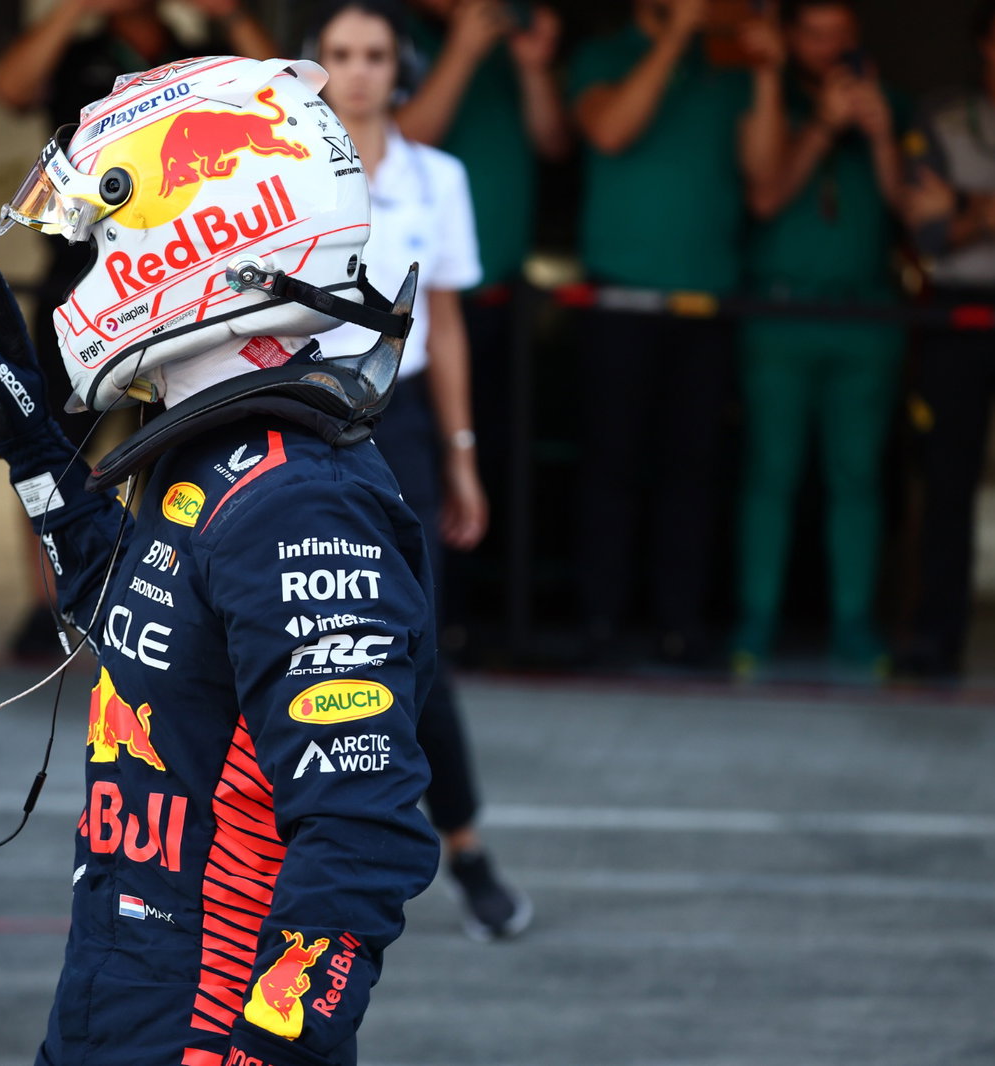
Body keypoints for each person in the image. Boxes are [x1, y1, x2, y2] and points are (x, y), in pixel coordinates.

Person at [0, 55, 439, 1065]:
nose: (83, 280)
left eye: (104, 243)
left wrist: (269, 1049)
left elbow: (359, 838)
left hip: (202, 1035)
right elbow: (139, 621)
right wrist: (35, 447)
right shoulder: (215, 461)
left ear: (204, 235)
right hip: (110, 1001)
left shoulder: (297, 503)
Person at [311, 0, 531, 940]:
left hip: (396, 424)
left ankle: (468, 851)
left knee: (419, 640)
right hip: (297, 412)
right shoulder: (277, 173)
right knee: (284, 628)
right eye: (338, 54)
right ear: (314, 65)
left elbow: (444, 333)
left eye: (373, 54)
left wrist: (464, 459)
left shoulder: (438, 176)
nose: (358, 71)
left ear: (399, 64)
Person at [0, 0, 278, 657]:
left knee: (174, 441)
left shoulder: (199, 51)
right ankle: (50, 605)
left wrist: (229, 15)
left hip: (185, 278)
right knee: (51, 438)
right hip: (79, 280)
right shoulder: (70, 46)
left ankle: (167, 594)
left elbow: (278, 93)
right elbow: (6, 87)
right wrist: (70, 10)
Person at [569, 0, 786, 667]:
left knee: (693, 470)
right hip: (618, 291)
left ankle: (680, 625)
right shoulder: (602, 56)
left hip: (706, 298)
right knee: (610, 464)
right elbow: (609, 130)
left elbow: (765, 182)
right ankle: (601, 624)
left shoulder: (732, 64)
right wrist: (677, 37)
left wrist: (770, 74)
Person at [732, 0, 909, 678]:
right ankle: (755, 623)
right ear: (792, 36)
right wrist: (823, 127)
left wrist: (883, 135)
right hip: (781, 312)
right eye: (814, 34)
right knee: (770, 476)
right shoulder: (767, 94)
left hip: (868, 319)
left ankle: (856, 626)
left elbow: (910, 215)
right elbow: (766, 195)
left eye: (840, 34)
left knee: (858, 478)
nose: (829, 48)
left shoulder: (887, 101)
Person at [396, 0, 566, 580]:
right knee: (421, 465)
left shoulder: (511, 43)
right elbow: (404, 138)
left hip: (503, 294)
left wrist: (533, 66)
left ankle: (487, 611)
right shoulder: (400, 37)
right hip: (415, 307)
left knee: (499, 461)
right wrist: (463, 51)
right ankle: (443, 622)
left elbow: (556, 145)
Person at [897, 0, 995, 680]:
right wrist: (993, 215)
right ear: (984, 48)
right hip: (960, 310)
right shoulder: (944, 117)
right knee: (946, 478)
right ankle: (936, 633)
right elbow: (929, 235)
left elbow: (949, 217)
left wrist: (966, 209)